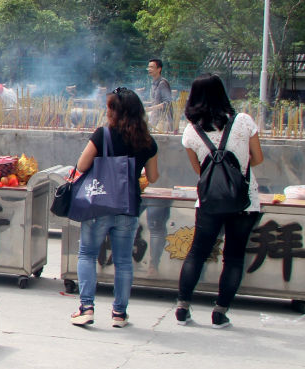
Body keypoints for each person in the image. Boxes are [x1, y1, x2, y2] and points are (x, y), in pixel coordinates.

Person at [174, 73, 264, 328]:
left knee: (197, 253)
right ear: (222, 93)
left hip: (209, 202)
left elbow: (199, 171)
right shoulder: (243, 121)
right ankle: (220, 312)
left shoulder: (191, 132)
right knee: (233, 257)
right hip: (244, 201)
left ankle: (182, 307)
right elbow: (257, 158)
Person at [69, 87, 159, 328]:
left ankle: (86, 307)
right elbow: (153, 176)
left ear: (116, 112)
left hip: (99, 206)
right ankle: (119, 313)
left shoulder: (103, 135)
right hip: (128, 207)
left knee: (87, 254)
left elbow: (82, 164)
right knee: (123, 261)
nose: (107, 111)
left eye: (110, 107)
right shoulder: (147, 142)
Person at [145, 58, 175, 131]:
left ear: (159, 69)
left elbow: (167, 103)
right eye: (148, 67)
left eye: (152, 67)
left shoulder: (163, 83)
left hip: (164, 121)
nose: (149, 69)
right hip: (155, 119)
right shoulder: (153, 83)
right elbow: (155, 101)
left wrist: (151, 108)